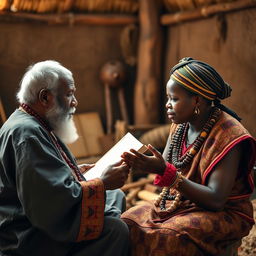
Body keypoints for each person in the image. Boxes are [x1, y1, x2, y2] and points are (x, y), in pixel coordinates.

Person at [121, 57, 256, 256]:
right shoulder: (180, 125)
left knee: (168, 237)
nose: (167, 105)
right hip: (182, 203)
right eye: (168, 98)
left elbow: (216, 200)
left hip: (225, 213)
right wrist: (146, 165)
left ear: (197, 100)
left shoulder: (229, 135)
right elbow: (166, 168)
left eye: (174, 99)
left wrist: (165, 172)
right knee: (127, 222)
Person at [0, 60, 131, 256]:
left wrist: (76, 172)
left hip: (34, 217)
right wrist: (101, 183)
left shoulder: (31, 122)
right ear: (45, 97)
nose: (75, 101)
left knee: (116, 196)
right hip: (26, 235)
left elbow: (41, 178)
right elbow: (47, 203)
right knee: (115, 230)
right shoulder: (26, 133)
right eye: (69, 94)